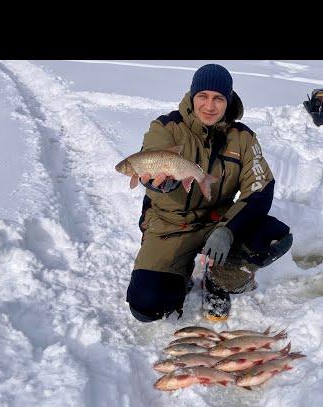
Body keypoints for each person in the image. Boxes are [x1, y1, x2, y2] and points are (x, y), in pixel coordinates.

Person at [123, 64, 293, 323]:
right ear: (192, 97)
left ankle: (218, 282)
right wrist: (163, 183)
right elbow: (154, 154)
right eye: (203, 96)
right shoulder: (167, 127)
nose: (209, 106)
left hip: (217, 222)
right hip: (171, 225)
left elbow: (261, 188)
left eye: (218, 98)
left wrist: (229, 229)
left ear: (229, 101)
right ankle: (179, 274)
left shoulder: (243, 138)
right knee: (146, 306)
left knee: (273, 236)